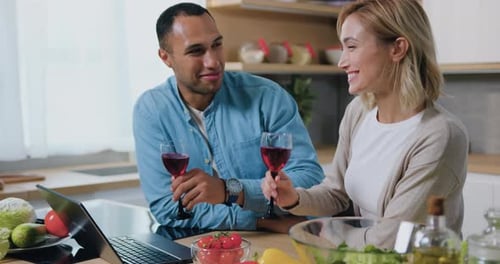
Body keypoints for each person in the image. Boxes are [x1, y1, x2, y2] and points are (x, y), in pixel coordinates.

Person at [261, 0, 469, 248]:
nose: (342, 62)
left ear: (397, 49)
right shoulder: (359, 112)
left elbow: (390, 239)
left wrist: (319, 233)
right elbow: (336, 192)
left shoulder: (440, 135)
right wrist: (294, 198)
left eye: (352, 46)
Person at [132, 2, 323, 231]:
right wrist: (261, 221)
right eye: (196, 51)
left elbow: (310, 181)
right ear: (166, 58)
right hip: (201, 246)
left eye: (217, 45)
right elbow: (169, 208)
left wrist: (231, 190)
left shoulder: (268, 98)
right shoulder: (151, 110)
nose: (213, 61)